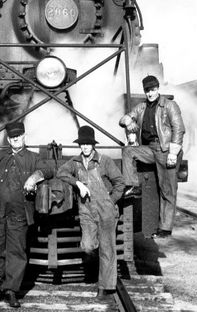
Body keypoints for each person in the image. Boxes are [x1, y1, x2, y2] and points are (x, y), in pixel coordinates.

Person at [0, 121, 53, 308]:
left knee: (16, 252)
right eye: (12, 138)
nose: (15, 140)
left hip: (18, 213)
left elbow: (50, 169)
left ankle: (11, 290)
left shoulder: (32, 157)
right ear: (9, 139)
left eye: (18, 137)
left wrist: (35, 177)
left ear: (24, 137)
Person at [57, 125, 125, 301]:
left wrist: (111, 201)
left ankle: (104, 287)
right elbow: (61, 172)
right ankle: (96, 266)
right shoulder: (75, 162)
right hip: (87, 210)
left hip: (106, 211)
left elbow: (120, 183)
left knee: (107, 249)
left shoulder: (105, 161)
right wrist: (77, 184)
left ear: (93, 145)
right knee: (87, 246)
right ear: (79, 146)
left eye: (88, 144)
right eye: (82, 144)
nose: (85, 147)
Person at [119, 75, 185, 238]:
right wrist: (128, 122)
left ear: (158, 89)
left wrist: (173, 153)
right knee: (128, 151)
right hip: (149, 149)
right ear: (144, 91)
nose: (150, 93)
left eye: (153, 89)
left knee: (167, 190)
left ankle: (165, 228)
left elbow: (179, 129)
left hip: (165, 149)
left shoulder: (169, 105)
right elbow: (123, 119)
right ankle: (132, 185)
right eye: (147, 90)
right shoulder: (141, 107)